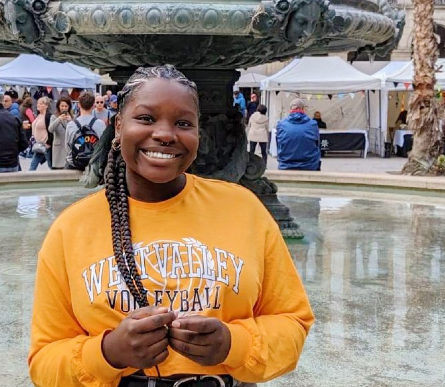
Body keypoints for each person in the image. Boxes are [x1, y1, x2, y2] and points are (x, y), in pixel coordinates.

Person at [28, 65, 314, 387]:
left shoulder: (244, 209)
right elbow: (44, 363)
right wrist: (108, 352)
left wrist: (233, 344)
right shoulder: (71, 228)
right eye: (146, 119)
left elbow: (293, 323)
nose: (165, 134)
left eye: (182, 123)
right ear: (119, 127)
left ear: (198, 134)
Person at [64, 91, 106, 169]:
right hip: (94, 165)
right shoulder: (100, 124)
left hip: (74, 164)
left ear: (79, 105)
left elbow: (68, 147)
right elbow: (104, 146)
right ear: (93, 105)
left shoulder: (71, 125)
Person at [276, 98, 321, 171]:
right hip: (310, 165)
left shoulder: (281, 124)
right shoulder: (313, 124)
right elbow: (317, 145)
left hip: (286, 164)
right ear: (303, 109)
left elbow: (279, 144)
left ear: (290, 109)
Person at [48, 97, 72, 169]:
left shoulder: (72, 117)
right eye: (62, 106)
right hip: (58, 147)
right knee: (58, 169)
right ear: (58, 106)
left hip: (68, 147)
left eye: (66, 106)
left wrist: (70, 121)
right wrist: (59, 119)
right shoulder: (54, 117)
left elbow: (74, 132)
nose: (64, 108)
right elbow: (50, 129)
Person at [29, 97, 53, 171]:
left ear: (46, 106)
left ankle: (58, 177)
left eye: (41, 103)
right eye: (38, 103)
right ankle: (29, 178)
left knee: (51, 164)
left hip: (46, 145)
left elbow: (51, 130)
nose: (38, 105)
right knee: (33, 164)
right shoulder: (38, 115)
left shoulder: (48, 116)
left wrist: (48, 143)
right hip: (38, 145)